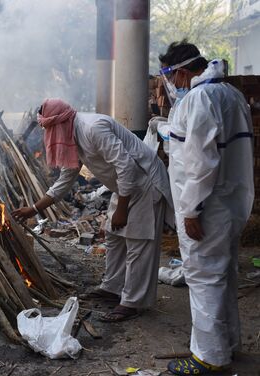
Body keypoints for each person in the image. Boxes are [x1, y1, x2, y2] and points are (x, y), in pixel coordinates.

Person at [12, 98, 172, 322]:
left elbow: (125, 165)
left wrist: (122, 210)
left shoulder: (93, 129)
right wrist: (34, 208)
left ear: (60, 122)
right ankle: (113, 288)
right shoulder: (71, 135)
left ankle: (132, 303)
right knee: (115, 237)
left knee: (138, 242)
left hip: (143, 182)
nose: (49, 136)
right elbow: (67, 177)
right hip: (124, 185)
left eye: (49, 129)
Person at [158, 41, 254, 375]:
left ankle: (209, 357)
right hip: (229, 204)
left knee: (203, 280)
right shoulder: (230, 95)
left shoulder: (198, 100)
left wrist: (190, 211)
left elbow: (200, 164)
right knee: (224, 276)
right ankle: (226, 345)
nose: (172, 84)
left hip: (207, 208)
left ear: (181, 71)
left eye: (171, 76)